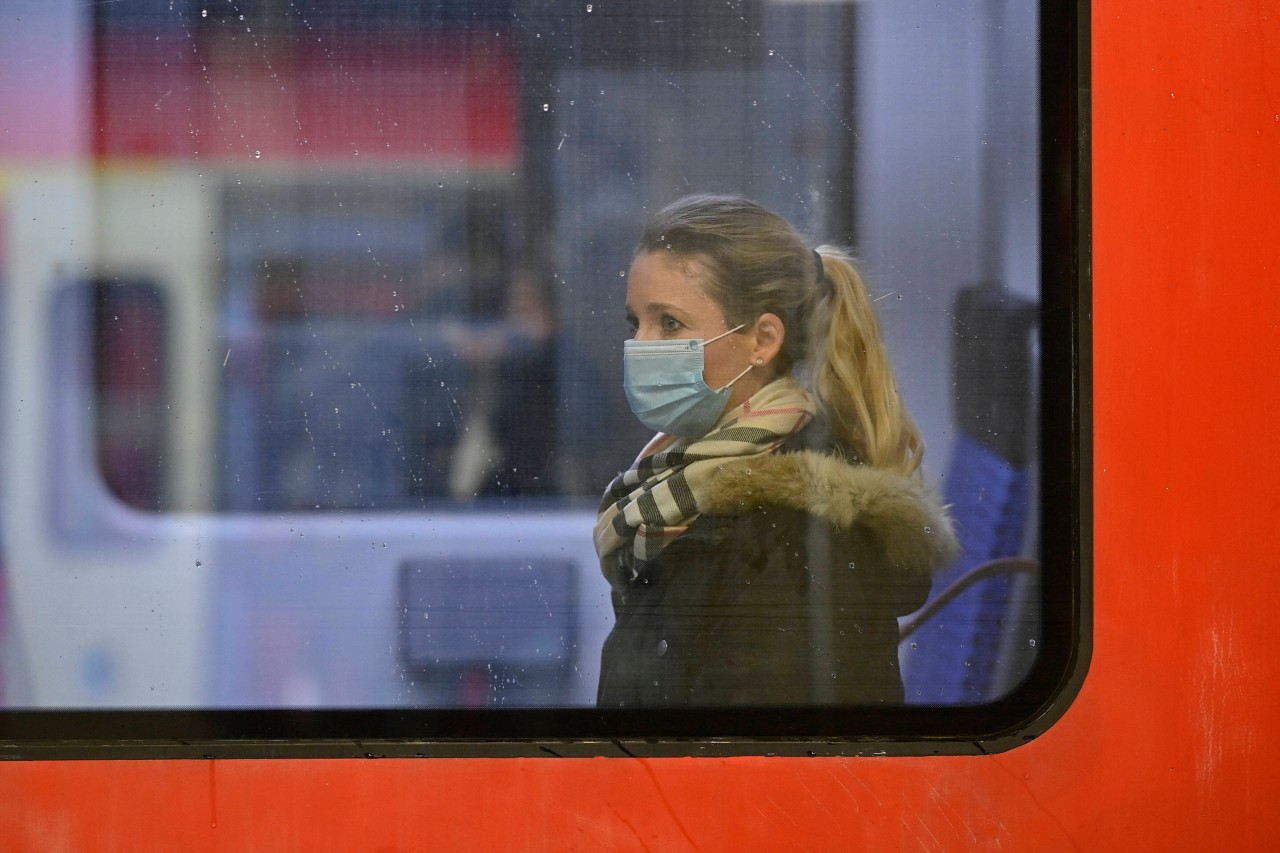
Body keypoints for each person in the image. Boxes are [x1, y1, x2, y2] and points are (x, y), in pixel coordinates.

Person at [594, 194, 959, 707]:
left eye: (670, 323)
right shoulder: (684, 477)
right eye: (637, 324)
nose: (642, 346)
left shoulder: (789, 527)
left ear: (762, 340)